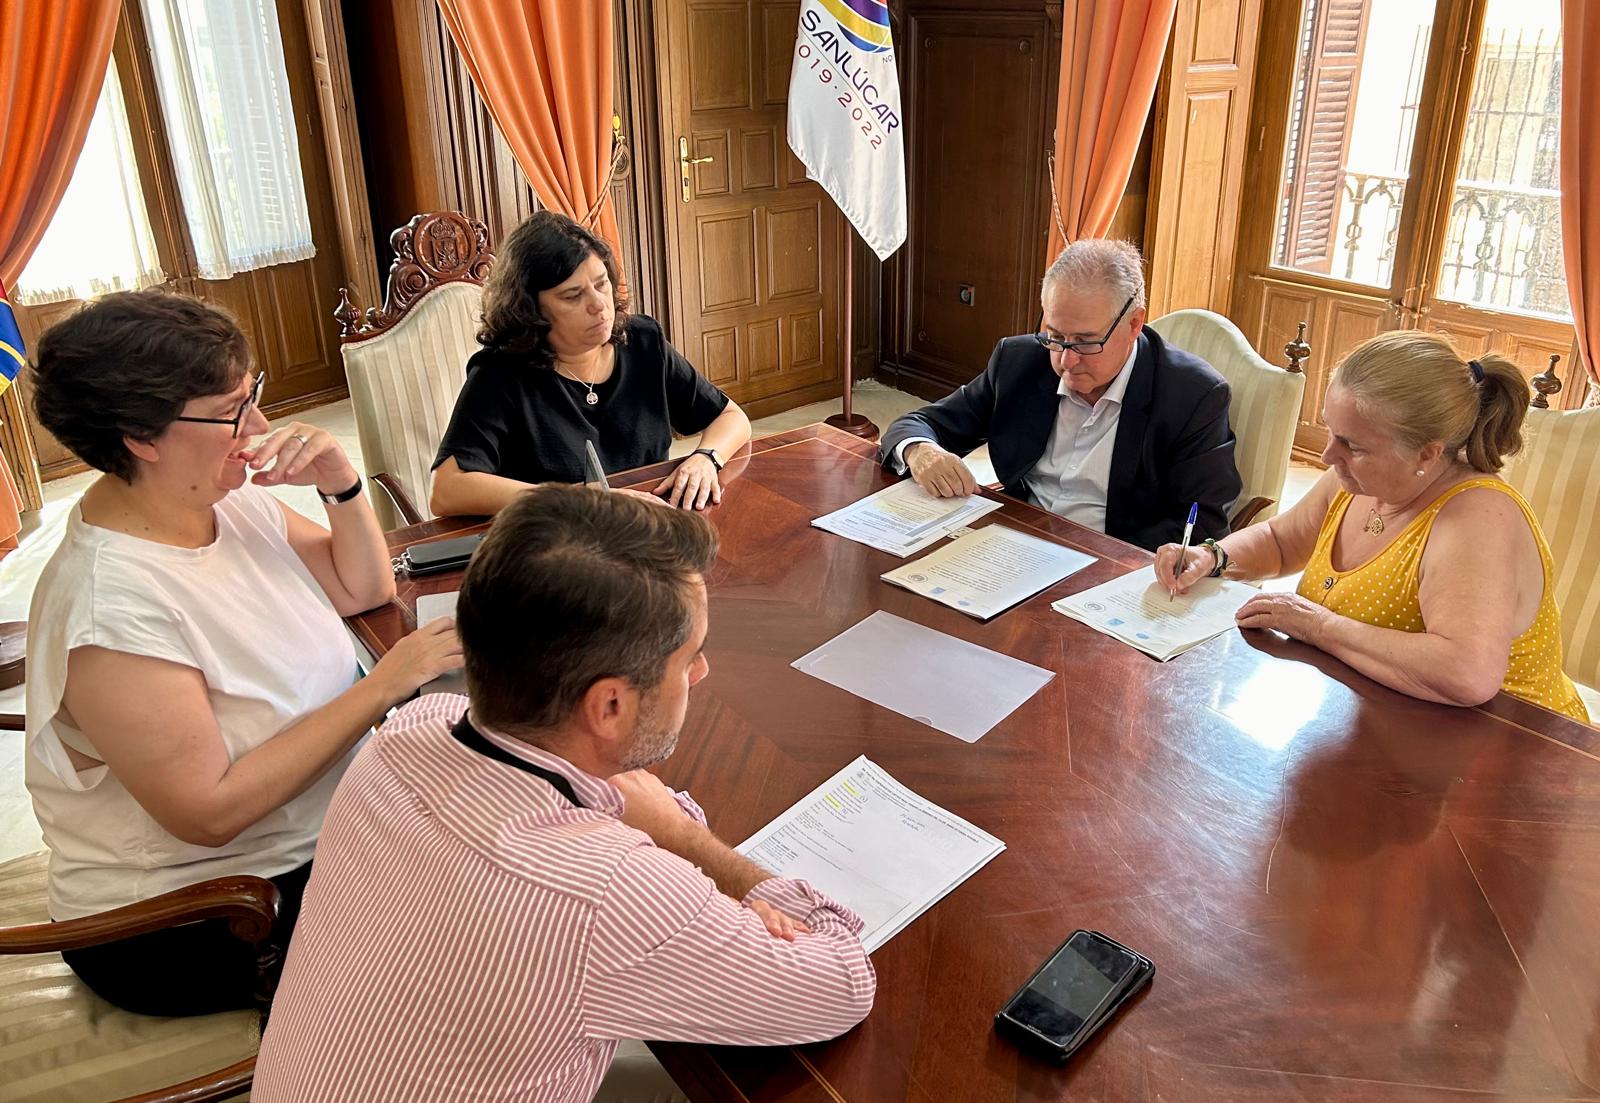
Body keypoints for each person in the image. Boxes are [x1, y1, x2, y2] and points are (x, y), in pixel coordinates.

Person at [253, 486, 876, 1103]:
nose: (703, 673)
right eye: (689, 659)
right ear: (609, 704)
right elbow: (844, 984)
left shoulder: (407, 735)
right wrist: (686, 841)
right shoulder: (610, 891)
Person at [24, 291, 463, 1016]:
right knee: (497, 923)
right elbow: (211, 812)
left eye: (251, 393)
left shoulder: (222, 498)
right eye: (232, 408)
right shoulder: (110, 607)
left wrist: (340, 483)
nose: (257, 425)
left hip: (312, 839)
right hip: (197, 912)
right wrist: (383, 685)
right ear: (141, 435)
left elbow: (363, 584)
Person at [1157, 330, 1587, 721]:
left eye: (1352, 445)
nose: (1327, 456)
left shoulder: (1476, 518)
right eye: (1331, 431)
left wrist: (1318, 625)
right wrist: (1211, 557)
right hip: (1387, 720)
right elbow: (1280, 541)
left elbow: (1466, 675)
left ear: (1427, 454)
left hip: (1511, 745)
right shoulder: (1355, 480)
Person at [878, 239, 1242, 551]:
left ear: (1134, 324)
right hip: (1012, 543)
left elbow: (1202, 529)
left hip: (1109, 564)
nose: (1065, 360)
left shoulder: (1192, 396)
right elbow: (920, 423)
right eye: (1054, 335)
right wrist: (919, 450)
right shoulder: (1020, 361)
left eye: (1085, 342)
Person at [430, 211, 752, 515]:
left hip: (645, 526)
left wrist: (706, 457)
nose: (599, 305)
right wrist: (581, 499)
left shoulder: (642, 341)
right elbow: (447, 490)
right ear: (531, 309)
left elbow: (731, 417)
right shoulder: (501, 373)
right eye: (573, 296)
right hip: (558, 540)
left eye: (601, 283)